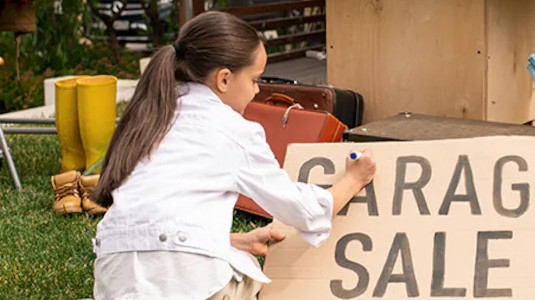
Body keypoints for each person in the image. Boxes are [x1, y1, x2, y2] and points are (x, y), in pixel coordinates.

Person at [89, 11, 376, 299]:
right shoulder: (234, 131)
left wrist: (231, 241)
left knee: (224, 259)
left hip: (114, 279)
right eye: (254, 79)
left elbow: (157, 223)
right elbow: (305, 210)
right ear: (224, 79)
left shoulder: (151, 116)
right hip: (183, 283)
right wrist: (354, 179)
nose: (258, 89)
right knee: (249, 274)